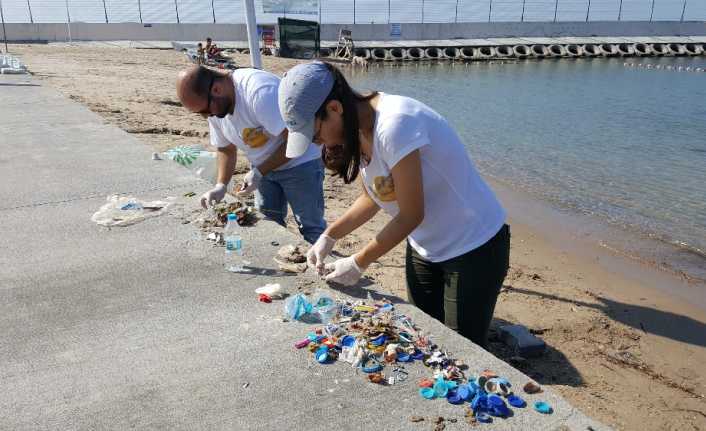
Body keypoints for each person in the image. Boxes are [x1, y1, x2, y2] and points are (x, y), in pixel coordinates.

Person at [278, 61, 510, 347]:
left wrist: (357, 262)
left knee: (463, 347)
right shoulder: (360, 127)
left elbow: (412, 214)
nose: (317, 143)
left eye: (315, 134)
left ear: (335, 109)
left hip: (474, 247)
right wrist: (330, 235)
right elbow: (374, 195)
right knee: (423, 336)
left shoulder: (395, 124)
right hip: (426, 246)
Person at [176, 65, 326, 244]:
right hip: (263, 167)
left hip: (300, 162)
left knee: (310, 226)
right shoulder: (215, 109)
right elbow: (225, 148)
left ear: (216, 89)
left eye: (204, 111)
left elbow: (296, 141)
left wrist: (259, 171)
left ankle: (323, 267)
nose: (206, 116)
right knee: (269, 224)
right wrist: (221, 185)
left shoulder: (259, 92)